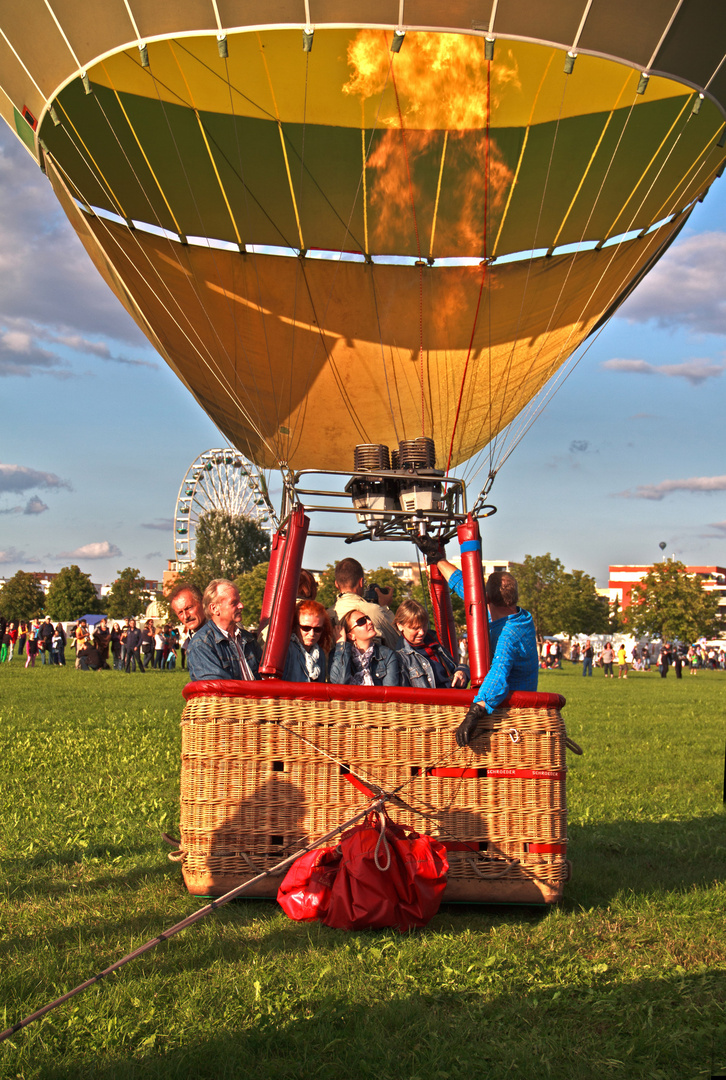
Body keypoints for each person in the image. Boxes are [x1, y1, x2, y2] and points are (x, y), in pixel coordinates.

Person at [415, 538, 538, 746]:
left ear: (488, 597)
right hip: (505, 711)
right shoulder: (517, 615)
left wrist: (476, 710)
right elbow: (465, 588)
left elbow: (498, 674)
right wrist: (438, 559)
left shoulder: (508, 634)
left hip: (510, 718)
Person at [186, 579, 261, 682]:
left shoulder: (247, 638)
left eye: (239, 601)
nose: (241, 606)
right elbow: (218, 690)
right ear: (214, 609)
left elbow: (264, 676)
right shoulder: (202, 644)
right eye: (234, 603)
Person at [394, 598, 469, 689]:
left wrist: (462, 672)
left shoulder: (433, 642)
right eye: (415, 628)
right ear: (400, 626)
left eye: (424, 625)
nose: (421, 632)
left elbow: (454, 666)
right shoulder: (399, 658)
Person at [330, 558, 399, 649]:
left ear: (336, 584)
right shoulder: (373, 610)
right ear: (361, 582)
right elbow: (397, 640)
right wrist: (385, 607)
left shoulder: (327, 614)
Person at [329, 609, 402, 686]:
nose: (369, 622)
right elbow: (339, 683)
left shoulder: (387, 655)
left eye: (368, 618)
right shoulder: (336, 654)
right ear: (351, 636)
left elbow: (389, 692)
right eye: (361, 622)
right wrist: (341, 645)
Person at [283, 600, 334, 682]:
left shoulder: (320, 653)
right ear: (295, 626)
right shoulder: (287, 650)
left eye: (318, 629)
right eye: (306, 628)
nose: (312, 633)